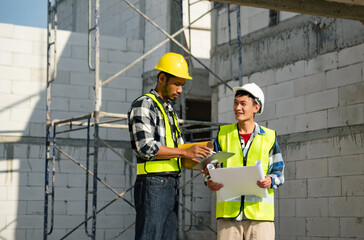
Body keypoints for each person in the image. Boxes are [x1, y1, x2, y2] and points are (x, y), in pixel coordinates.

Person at [128, 52, 212, 240]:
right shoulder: (144, 105)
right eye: (177, 84)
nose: (180, 90)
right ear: (162, 78)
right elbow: (145, 147)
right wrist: (186, 151)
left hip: (170, 186)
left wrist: (202, 164)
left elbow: (180, 153)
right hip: (152, 185)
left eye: (182, 85)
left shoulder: (169, 112)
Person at [204, 82, 285, 240]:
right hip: (229, 216)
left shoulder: (269, 137)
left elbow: (279, 173)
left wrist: (270, 180)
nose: (237, 108)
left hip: (260, 217)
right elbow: (210, 167)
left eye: (243, 104)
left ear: (256, 107)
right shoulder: (223, 135)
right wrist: (209, 180)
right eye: (235, 103)